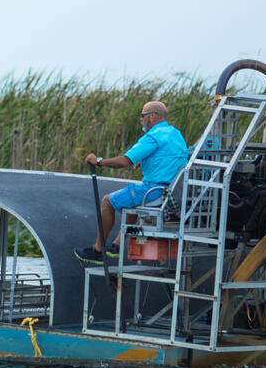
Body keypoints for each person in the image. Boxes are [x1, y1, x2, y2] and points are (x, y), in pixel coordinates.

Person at [76, 100, 187, 264]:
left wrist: (98, 160)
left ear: (152, 116)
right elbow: (172, 156)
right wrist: (146, 159)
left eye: (143, 116)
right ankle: (118, 245)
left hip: (156, 191)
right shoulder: (175, 134)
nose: (141, 120)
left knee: (107, 202)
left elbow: (123, 162)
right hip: (173, 191)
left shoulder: (152, 137)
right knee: (134, 193)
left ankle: (97, 251)